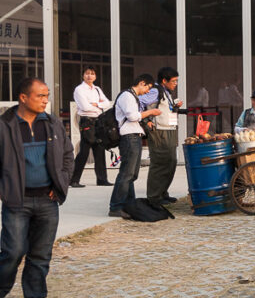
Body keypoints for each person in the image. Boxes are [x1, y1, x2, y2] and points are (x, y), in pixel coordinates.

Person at [0, 77, 73, 298]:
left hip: (47, 200)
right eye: (40, 96)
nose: (46, 100)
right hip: (16, 201)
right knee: (13, 251)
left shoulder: (52, 123)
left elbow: (67, 155)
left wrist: (60, 183)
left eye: (47, 95)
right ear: (23, 97)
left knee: (41, 254)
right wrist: (5, 191)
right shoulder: (5, 125)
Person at [108, 74, 160, 219]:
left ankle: (128, 204)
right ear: (141, 83)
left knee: (132, 174)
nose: (147, 92)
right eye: (148, 88)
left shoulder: (132, 96)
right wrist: (150, 112)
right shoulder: (127, 96)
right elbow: (132, 116)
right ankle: (116, 206)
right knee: (126, 174)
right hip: (128, 137)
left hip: (134, 136)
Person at [140, 66, 182, 206]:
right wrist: (146, 122)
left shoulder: (166, 92)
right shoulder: (155, 91)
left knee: (170, 162)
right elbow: (140, 103)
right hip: (159, 131)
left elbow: (165, 109)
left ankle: (163, 192)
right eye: (174, 81)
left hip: (169, 129)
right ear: (164, 80)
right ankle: (154, 196)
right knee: (159, 163)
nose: (175, 83)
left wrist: (175, 107)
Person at [69, 66, 112, 188]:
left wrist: (97, 104)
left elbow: (107, 103)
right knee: (84, 151)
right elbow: (85, 107)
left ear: (95, 76)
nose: (89, 76)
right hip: (87, 121)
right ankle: (74, 179)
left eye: (92, 74)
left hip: (98, 121)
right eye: (87, 73)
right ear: (83, 75)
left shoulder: (97, 89)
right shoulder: (79, 89)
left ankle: (102, 179)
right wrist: (98, 106)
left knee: (99, 149)